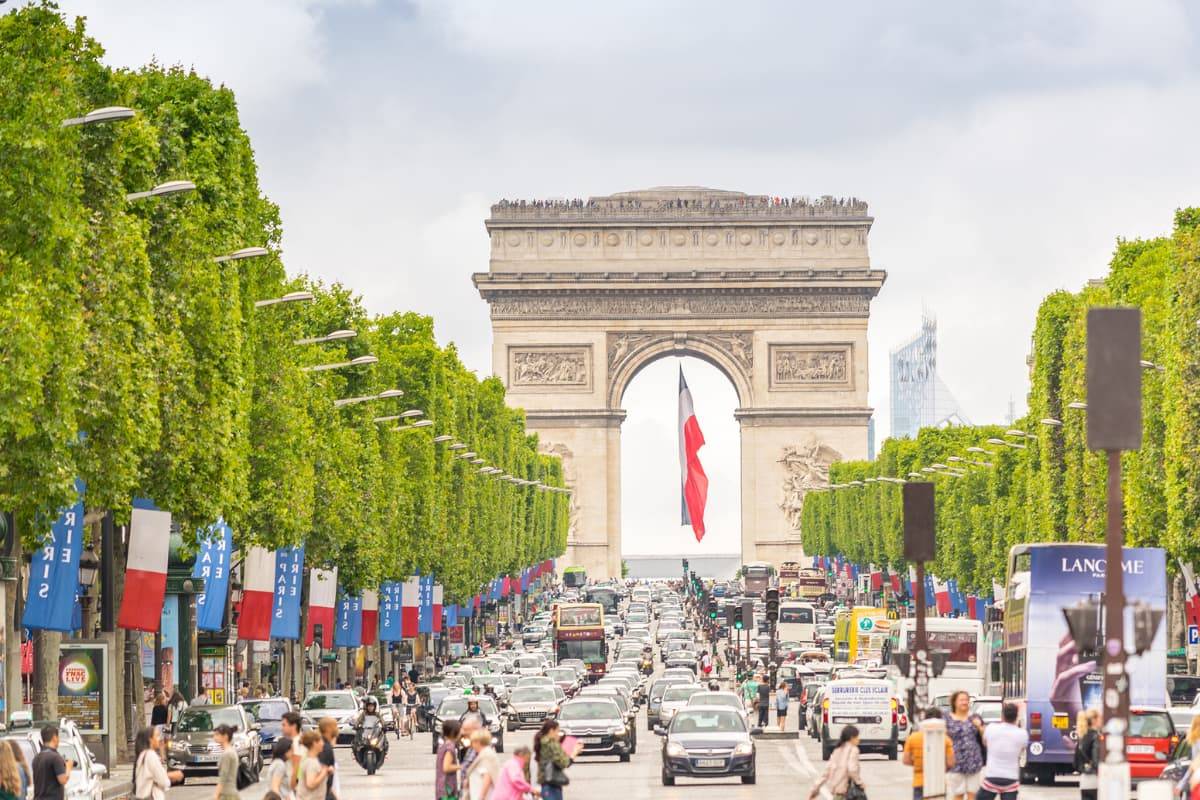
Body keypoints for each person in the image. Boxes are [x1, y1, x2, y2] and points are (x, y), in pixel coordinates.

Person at [977, 703, 1029, 800]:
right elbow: (1021, 749)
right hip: (1011, 779)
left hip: (992, 776)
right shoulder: (1022, 734)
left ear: (1002, 715)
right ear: (1017, 717)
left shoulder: (991, 728)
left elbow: (985, 743)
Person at [903, 709, 955, 800]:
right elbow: (951, 762)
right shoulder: (946, 739)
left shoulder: (913, 738)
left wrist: (918, 764)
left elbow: (906, 760)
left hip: (919, 781)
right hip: (939, 782)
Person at [945, 691, 985, 800]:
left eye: (967, 700)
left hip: (974, 762)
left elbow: (985, 738)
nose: (965, 702)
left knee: (973, 794)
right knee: (958, 794)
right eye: (961, 700)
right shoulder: (947, 719)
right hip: (955, 762)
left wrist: (980, 727)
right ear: (954, 702)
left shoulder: (975, 717)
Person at [810, 726, 864, 800]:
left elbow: (825, 774)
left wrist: (815, 790)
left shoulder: (837, 751)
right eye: (857, 737)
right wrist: (859, 783)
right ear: (852, 738)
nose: (858, 739)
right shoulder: (853, 750)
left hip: (837, 793)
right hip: (848, 793)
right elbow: (852, 769)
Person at [533, 719, 579, 800]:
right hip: (552, 782)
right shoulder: (551, 743)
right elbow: (564, 763)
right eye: (557, 731)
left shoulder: (543, 741)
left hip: (546, 781)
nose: (558, 734)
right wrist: (574, 753)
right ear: (551, 731)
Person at [134, 726, 183, 800]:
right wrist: (173, 776)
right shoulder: (151, 756)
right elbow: (163, 781)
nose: (158, 739)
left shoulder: (142, 755)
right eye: (156, 736)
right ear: (150, 740)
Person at [32, 725, 72, 800]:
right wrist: (68, 767)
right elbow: (63, 780)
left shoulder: (36, 758)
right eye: (58, 737)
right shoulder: (56, 757)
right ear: (54, 737)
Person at [463, 729, 500, 800]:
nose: (472, 745)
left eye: (473, 742)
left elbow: (487, 777)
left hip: (486, 796)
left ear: (478, 742)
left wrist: (482, 796)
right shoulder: (485, 753)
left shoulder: (486, 755)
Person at [295, 732, 332, 800]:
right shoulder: (311, 762)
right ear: (315, 743)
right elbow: (310, 784)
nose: (323, 744)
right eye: (321, 741)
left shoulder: (307, 760)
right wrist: (324, 772)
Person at [1074, 709, 1101, 800]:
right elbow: (1096, 760)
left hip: (1084, 781)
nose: (1101, 721)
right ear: (1094, 720)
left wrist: (1084, 768)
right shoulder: (1095, 737)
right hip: (1095, 780)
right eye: (1099, 718)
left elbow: (1075, 763)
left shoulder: (1082, 736)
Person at [212, 725, 241, 800]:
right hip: (231, 792)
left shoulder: (227, 754)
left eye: (217, 735)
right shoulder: (231, 751)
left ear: (225, 736)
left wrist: (216, 794)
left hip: (227, 794)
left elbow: (223, 776)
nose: (214, 737)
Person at [436, 720, 462, 800]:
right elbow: (446, 767)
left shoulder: (443, 745)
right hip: (448, 788)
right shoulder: (450, 747)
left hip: (441, 786)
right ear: (454, 733)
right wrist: (461, 766)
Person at [317, 718, 339, 800]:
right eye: (335, 726)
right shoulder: (325, 748)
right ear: (328, 728)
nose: (337, 729)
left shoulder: (325, 744)